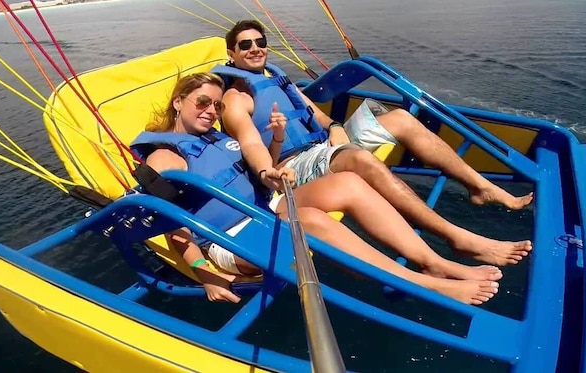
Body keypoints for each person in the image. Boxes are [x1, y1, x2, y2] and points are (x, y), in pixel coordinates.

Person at [129, 72, 500, 306]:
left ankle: (435, 262)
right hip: (228, 239)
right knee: (306, 219)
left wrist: (274, 154)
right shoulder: (167, 155)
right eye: (202, 102)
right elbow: (162, 219)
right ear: (178, 103)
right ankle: (425, 285)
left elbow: (254, 163)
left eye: (216, 103)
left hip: (267, 208)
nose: (211, 110)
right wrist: (203, 271)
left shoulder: (215, 138)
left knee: (349, 182)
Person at [213, 20, 533, 267]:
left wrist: (337, 126)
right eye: (245, 45)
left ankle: (480, 187)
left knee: (401, 119)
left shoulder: (278, 78)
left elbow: (318, 117)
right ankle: (457, 238)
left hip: (326, 146)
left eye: (260, 42)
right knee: (357, 159)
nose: (255, 48)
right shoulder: (236, 99)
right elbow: (251, 144)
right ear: (232, 54)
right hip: (294, 166)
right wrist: (267, 171)